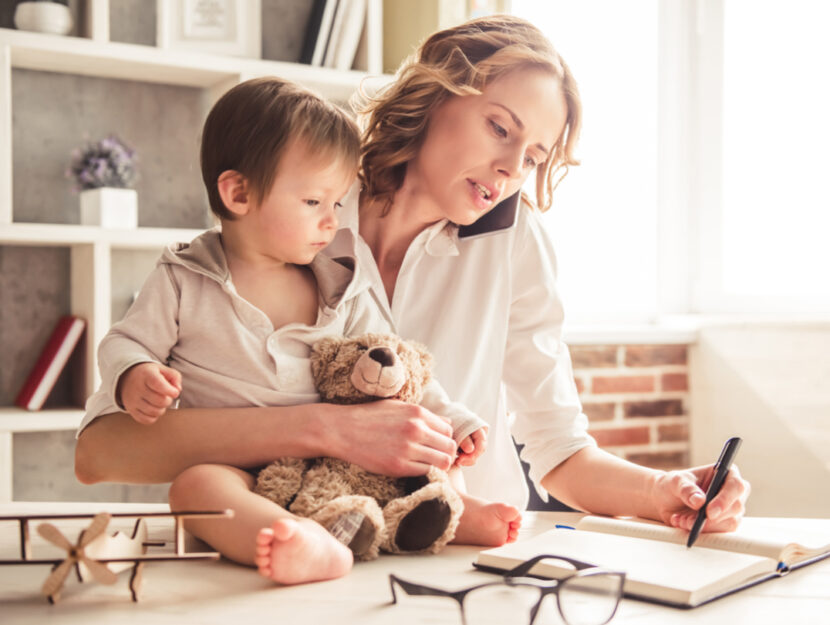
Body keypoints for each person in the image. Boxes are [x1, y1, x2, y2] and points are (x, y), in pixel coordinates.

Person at [76, 14, 748, 575]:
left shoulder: (516, 244)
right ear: (437, 94)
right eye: (501, 128)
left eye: (536, 155)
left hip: (463, 564)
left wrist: (662, 491)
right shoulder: (301, 205)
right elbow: (102, 451)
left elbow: (561, 449)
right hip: (300, 563)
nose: (514, 169)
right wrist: (329, 428)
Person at [77, 76, 507, 586]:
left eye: (336, 203)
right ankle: (298, 541)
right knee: (193, 490)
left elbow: (398, 363)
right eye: (313, 203)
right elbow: (124, 341)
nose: (331, 222)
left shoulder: (341, 281)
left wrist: (453, 420)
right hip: (237, 468)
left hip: (335, 468)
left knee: (423, 458)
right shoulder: (183, 278)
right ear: (238, 192)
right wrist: (136, 374)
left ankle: (452, 514)